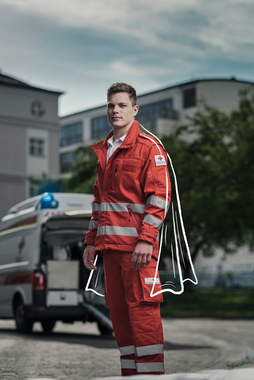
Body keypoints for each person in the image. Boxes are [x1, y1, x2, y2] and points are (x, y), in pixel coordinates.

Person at [83, 82, 171, 376]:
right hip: (109, 250)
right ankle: (131, 375)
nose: (115, 110)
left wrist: (147, 240)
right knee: (119, 319)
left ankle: (150, 376)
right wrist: (90, 242)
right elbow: (99, 204)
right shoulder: (105, 151)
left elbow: (159, 200)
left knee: (143, 316)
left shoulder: (149, 148)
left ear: (134, 110)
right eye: (111, 105)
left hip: (138, 252)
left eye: (121, 105)